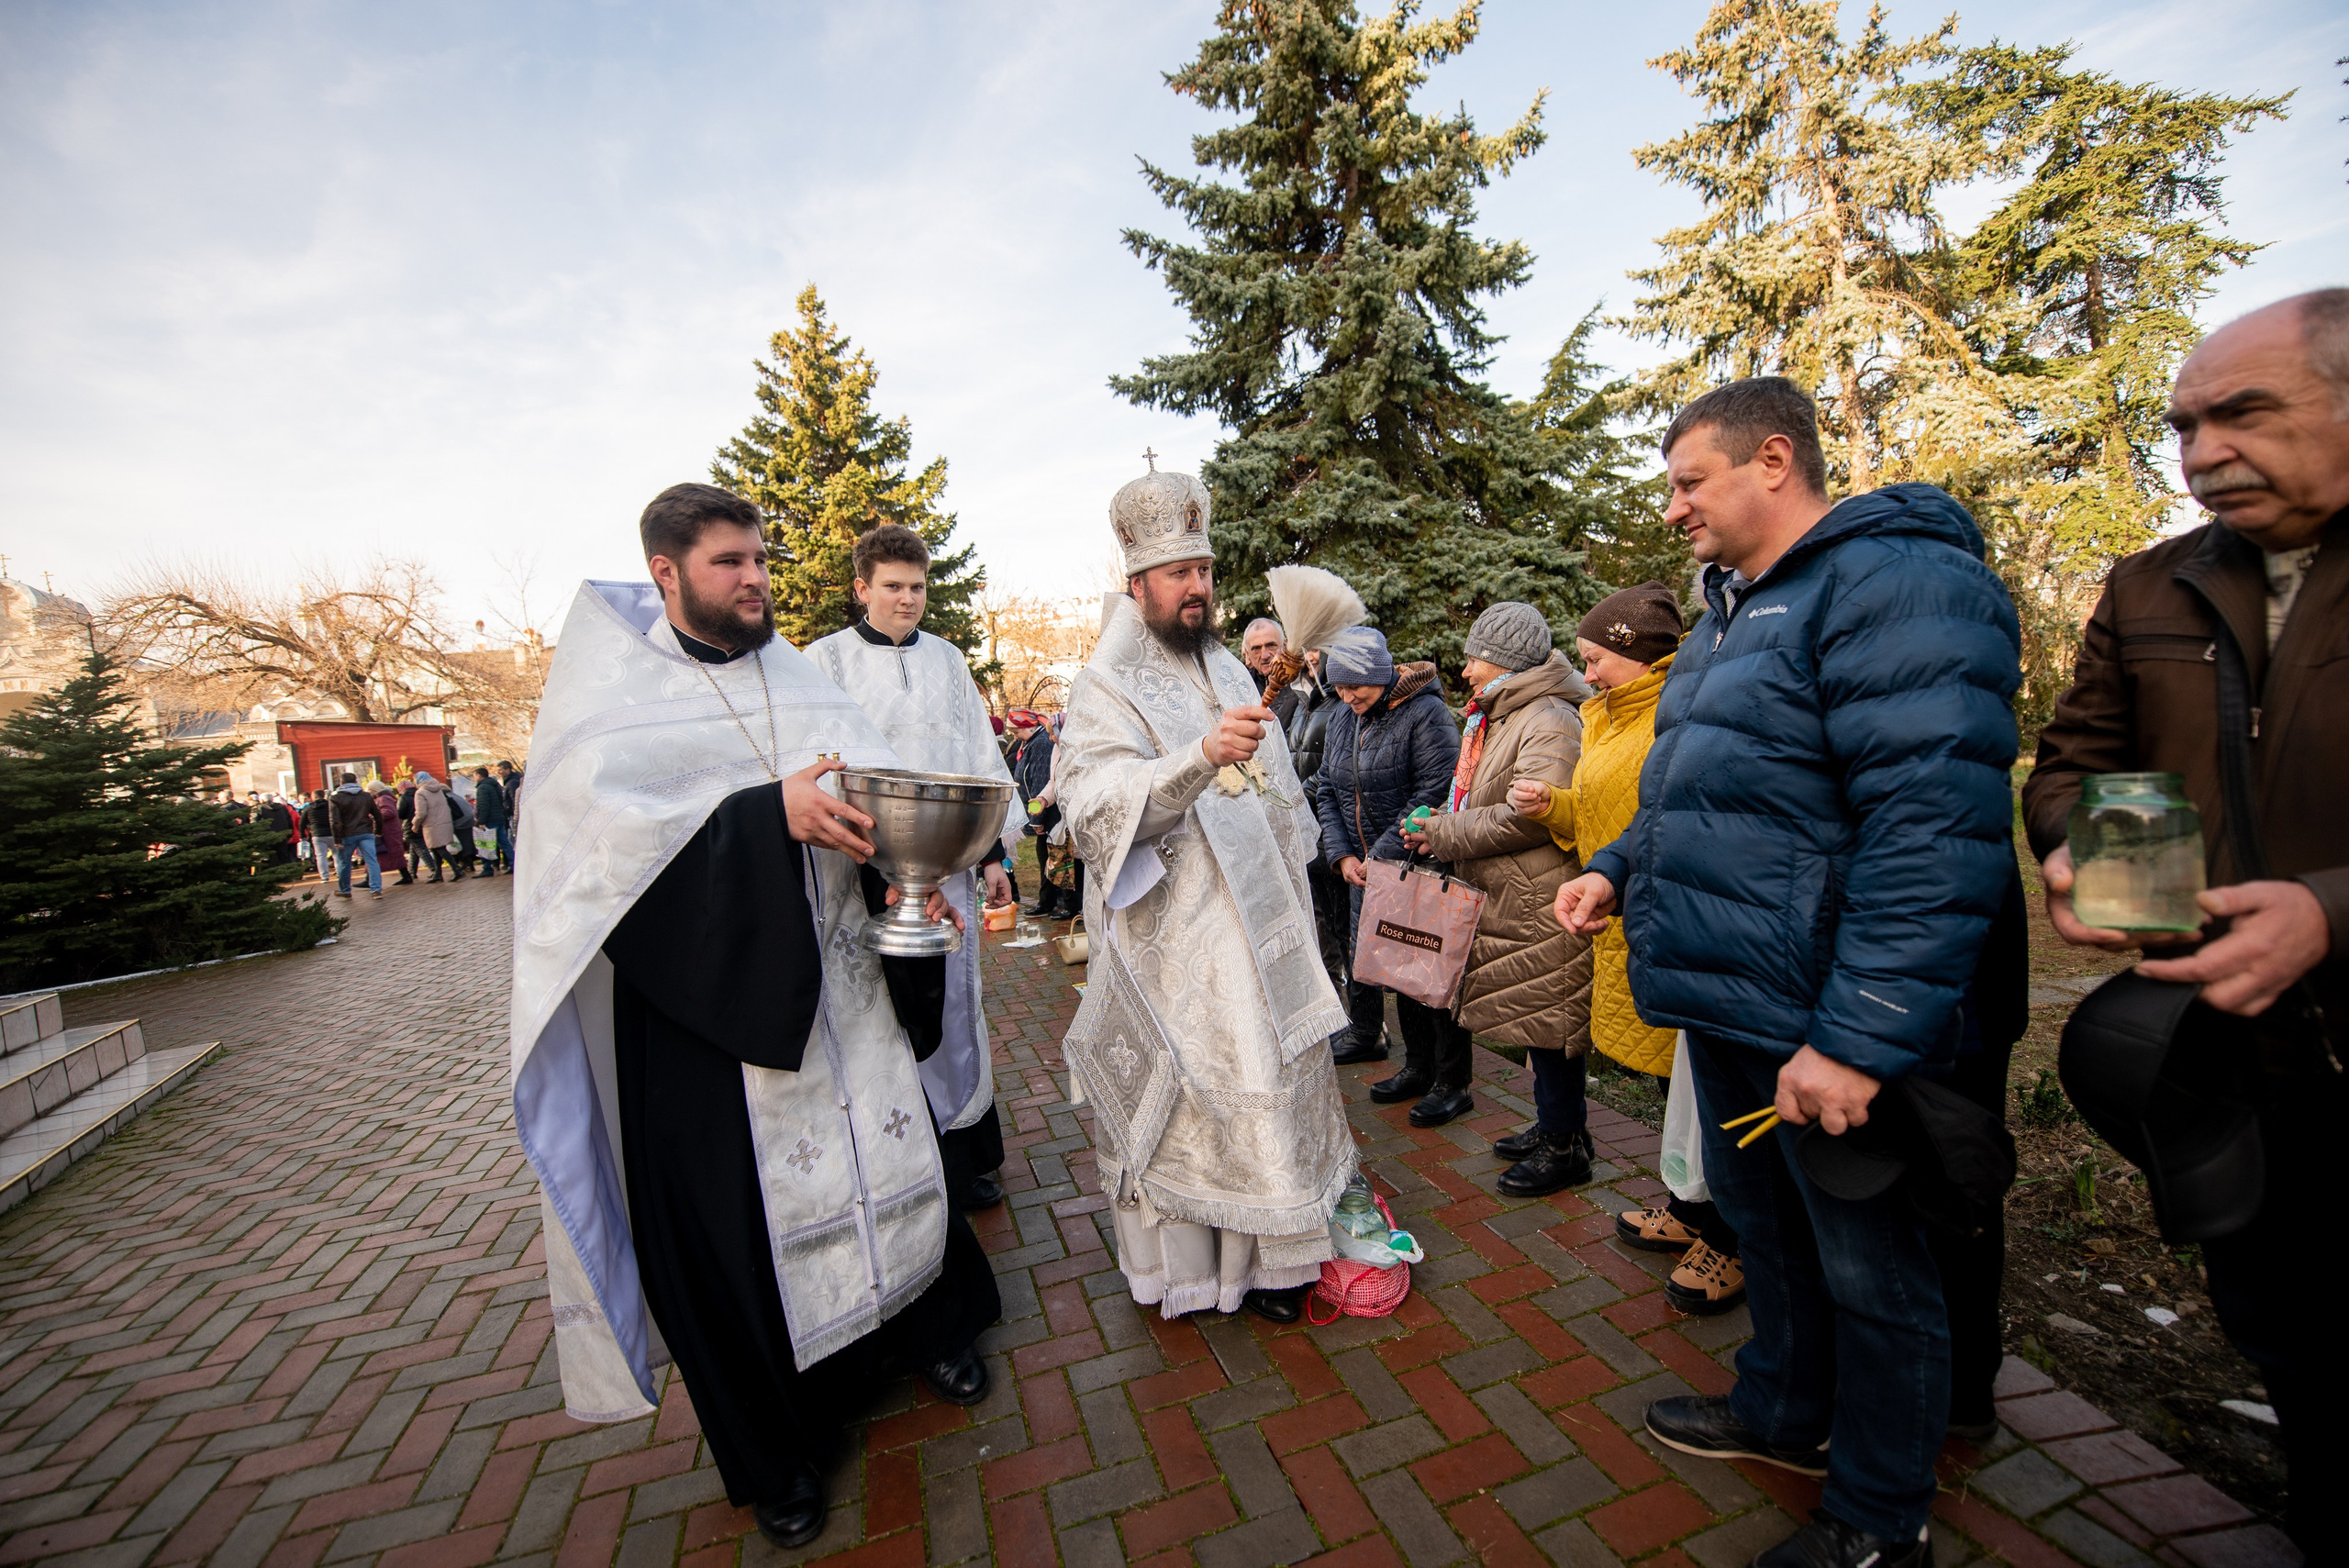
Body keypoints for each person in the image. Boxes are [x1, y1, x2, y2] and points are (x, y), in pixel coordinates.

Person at [1554, 377, 2021, 1568]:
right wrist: (1613, 865)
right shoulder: (1724, 610)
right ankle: (1781, 1412)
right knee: (1770, 1235)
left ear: (1774, 461)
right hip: (1733, 1002)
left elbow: (1930, 831)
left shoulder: (1893, 584)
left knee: (1874, 1271)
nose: (1673, 511)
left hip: (1823, 1018)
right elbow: (1701, 785)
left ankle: (1876, 1515)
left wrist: (1859, 1036)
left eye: (1688, 482)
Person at [510, 482, 999, 1551]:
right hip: (713, 1024)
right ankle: (781, 1444)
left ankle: (926, 1325)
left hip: (845, 994)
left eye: (760, 559)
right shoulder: (616, 700)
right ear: (667, 573)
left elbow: (879, 799)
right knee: (745, 1229)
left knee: (895, 1162)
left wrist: (906, 885)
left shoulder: (801, 677)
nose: (753, 580)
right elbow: (598, 869)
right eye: (729, 562)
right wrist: (763, 816)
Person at [2023, 290, 2347, 1555]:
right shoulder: (2154, 583)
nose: (2204, 451)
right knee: (2280, 1321)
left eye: (2245, 412)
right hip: (2226, 1054)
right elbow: (2074, 759)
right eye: (2184, 425)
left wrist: (2324, 912)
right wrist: (2077, 855)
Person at [1054, 462, 1353, 1323]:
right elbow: (1091, 807)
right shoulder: (1104, 686)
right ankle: (1209, 1271)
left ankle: (1279, 1254)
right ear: (1137, 582)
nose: (1199, 588)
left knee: (1278, 1072)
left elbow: (1277, 784)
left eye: (1206, 570)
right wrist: (1196, 759)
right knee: (1211, 1094)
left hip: (1261, 922)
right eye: (1180, 574)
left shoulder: (1225, 666)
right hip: (1178, 941)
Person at [1514, 584, 1745, 1314]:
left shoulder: (1673, 717)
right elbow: (1612, 812)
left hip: (1671, 918)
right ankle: (1686, 1205)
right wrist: (1556, 807)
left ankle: (1727, 1235)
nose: (1588, 671)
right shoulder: (1606, 717)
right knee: (1671, 1087)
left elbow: (1668, 813)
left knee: (1705, 1088)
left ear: (1639, 656)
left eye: (1597, 657)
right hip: (1621, 916)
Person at [809, 523, 1020, 1214]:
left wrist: (992, 857)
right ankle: (891, 1154)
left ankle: (963, 1149)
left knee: (956, 1006)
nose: (908, 599)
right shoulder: (826, 662)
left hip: (948, 871)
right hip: (859, 868)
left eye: (918, 587)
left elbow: (980, 764)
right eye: (893, 586)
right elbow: (819, 764)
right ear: (862, 587)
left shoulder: (949, 660)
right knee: (873, 1010)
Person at [1400, 603, 1595, 1191]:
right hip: (1519, 893)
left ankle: (1566, 1147)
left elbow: (1529, 816)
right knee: (1541, 1021)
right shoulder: (1508, 713)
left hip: (1541, 895)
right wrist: (1442, 821)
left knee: (1552, 1021)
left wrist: (1442, 833)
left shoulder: (1550, 719)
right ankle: (1555, 1126)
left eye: (1475, 658)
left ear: (1508, 660)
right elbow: (1487, 796)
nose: (1466, 672)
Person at [1313, 625, 1472, 1124]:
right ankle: (1418, 1067)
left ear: (1379, 674)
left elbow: (1435, 789)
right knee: (1399, 969)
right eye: (1336, 687)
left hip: (1421, 865)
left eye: (1353, 686)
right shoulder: (1343, 717)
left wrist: (1377, 854)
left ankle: (1453, 1081)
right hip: (1368, 869)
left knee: (1433, 974)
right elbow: (1326, 789)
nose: (1345, 697)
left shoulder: (1425, 713)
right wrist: (1342, 855)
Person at [1008, 710, 1073, 917]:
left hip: (1063, 816)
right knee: (1051, 858)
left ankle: (1069, 906)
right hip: (1051, 811)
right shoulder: (1052, 746)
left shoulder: (1044, 745)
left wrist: (1038, 817)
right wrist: (1042, 800)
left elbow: (1043, 778)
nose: (1051, 738)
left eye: (1053, 733)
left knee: (1063, 860)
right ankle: (1054, 902)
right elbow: (1052, 782)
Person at [1241, 617, 1304, 729]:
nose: (1264, 655)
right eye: (1256, 648)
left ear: (1285, 645)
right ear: (1247, 653)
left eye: (1271, 645)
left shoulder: (1302, 682)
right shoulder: (1240, 688)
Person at [328, 777, 383, 899]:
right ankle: (376, 890)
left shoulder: (335, 797)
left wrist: (337, 839)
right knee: (372, 861)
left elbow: (335, 821)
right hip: (366, 832)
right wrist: (378, 831)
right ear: (356, 782)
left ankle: (345, 890)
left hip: (347, 834)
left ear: (341, 783)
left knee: (344, 863)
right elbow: (377, 815)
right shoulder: (366, 796)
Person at [410, 772, 462, 883]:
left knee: (439, 848)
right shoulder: (438, 789)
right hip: (444, 821)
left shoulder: (420, 793)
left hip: (431, 824)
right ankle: (438, 874)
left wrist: (415, 824)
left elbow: (421, 813)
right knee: (436, 848)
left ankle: (457, 869)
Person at [370, 781, 409, 885]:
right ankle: (406, 876)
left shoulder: (383, 799)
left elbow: (389, 812)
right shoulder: (384, 798)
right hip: (389, 831)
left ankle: (369, 879)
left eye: (369, 791)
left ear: (374, 790)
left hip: (388, 831)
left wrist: (372, 817)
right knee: (394, 854)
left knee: (384, 854)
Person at [473, 766, 511, 874]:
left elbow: (483, 806)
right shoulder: (495, 785)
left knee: (486, 843)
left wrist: (481, 821)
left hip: (490, 819)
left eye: (474, 776)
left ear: (479, 775)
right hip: (499, 817)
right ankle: (513, 864)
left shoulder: (482, 788)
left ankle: (487, 868)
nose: (474, 778)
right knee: (504, 843)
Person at [299, 789, 337, 884]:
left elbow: (302, 823)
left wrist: (302, 835)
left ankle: (324, 877)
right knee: (337, 855)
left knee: (321, 856)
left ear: (314, 797)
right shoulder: (330, 805)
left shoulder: (308, 808)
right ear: (323, 795)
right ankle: (340, 873)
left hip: (317, 834)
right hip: (332, 833)